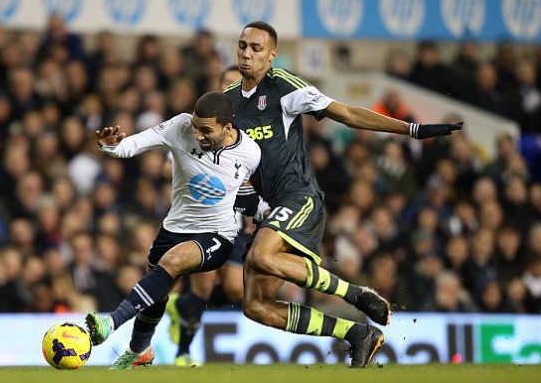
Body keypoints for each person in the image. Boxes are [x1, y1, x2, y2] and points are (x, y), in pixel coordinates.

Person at [224, 21, 463, 368]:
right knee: (256, 306)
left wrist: (411, 130)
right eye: (243, 45)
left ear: (272, 54)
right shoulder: (229, 100)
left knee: (259, 256)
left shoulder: (285, 87)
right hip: (266, 210)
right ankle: (357, 335)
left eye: (256, 48)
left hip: (299, 197)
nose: (247, 53)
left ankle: (358, 295)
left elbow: (349, 113)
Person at [85, 91, 262, 369]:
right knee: (157, 293)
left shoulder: (251, 152)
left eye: (206, 130)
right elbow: (137, 143)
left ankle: (111, 322)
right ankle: (139, 352)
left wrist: (258, 213)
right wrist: (112, 147)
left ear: (228, 128)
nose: (198, 135)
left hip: (218, 234)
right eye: (196, 127)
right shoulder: (180, 127)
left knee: (172, 262)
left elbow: (249, 191)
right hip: (173, 228)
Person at [165, 66, 252, 367]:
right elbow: (170, 164)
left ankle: (182, 305)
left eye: (235, 84)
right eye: (225, 83)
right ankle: (183, 351)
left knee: (234, 288)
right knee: (203, 285)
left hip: (236, 221)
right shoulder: (199, 128)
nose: (230, 88)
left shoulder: (249, 128)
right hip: (204, 218)